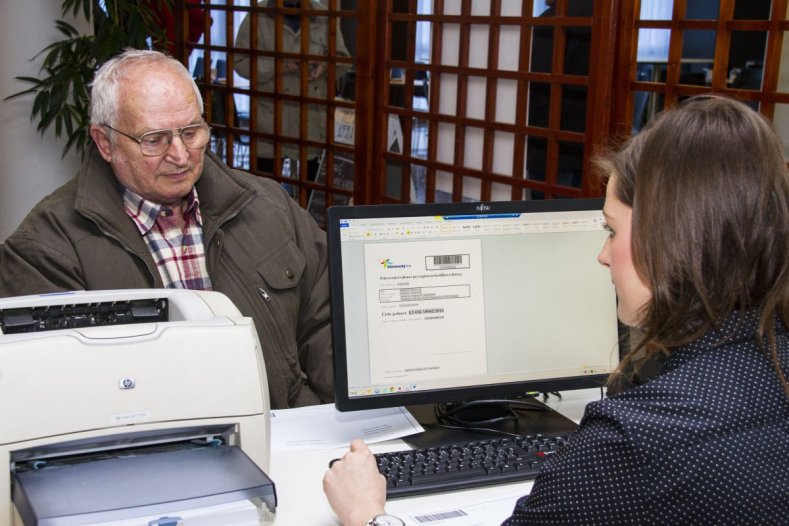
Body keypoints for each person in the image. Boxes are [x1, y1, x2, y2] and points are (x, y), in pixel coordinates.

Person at [323, 95, 789, 525]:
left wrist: (369, 515)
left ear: (671, 241)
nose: (603, 256)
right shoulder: (771, 362)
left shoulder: (636, 439)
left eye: (610, 230)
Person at [0, 49, 333, 409]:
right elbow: (54, 396)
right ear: (104, 143)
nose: (180, 155)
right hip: (145, 454)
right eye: (155, 140)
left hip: (285, 436)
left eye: (191, 132)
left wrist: (316, 416)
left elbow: (328, 319)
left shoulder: (265, 204)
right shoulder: (44, 247)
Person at [233, 0, 351, 184]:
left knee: (312, 191)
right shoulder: (258, 14)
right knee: (265, 194)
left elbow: (343, 60)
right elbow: (240, 63)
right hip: (270, 119)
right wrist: (277, 66)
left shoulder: (323, 14)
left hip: (311, 117)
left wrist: (324, 66)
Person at [526, 0, 591, 199]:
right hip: (591, 136)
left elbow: (537, 81)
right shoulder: (605, 14)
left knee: (547, 215)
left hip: (552, 139)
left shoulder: (553, 19)